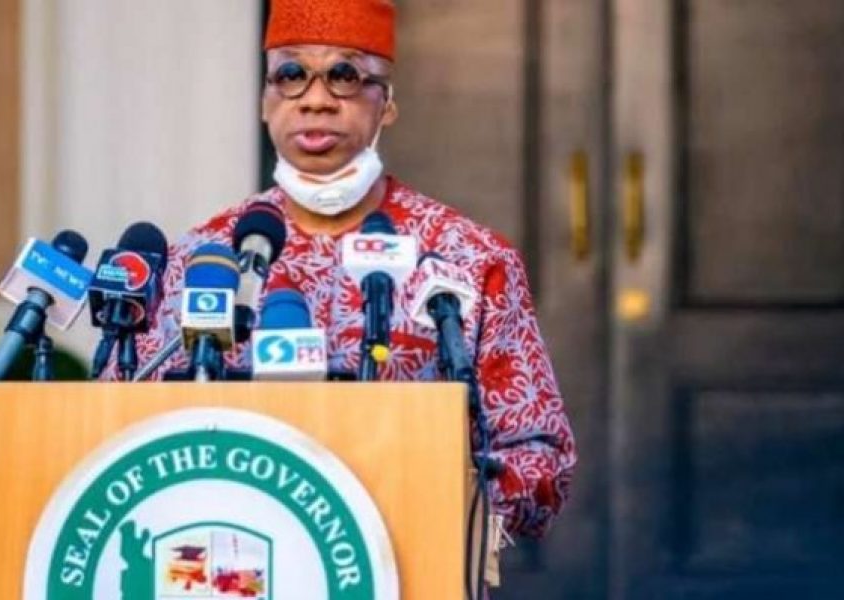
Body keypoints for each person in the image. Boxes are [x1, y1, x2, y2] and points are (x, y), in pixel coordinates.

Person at [106, 0, 576, 541]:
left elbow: (541, 457)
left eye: (344, 76)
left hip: (403, 559)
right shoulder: (202, 260)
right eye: (290, 75)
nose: (316, 100)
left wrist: (432, 498)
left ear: (387, 103)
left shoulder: (467, 260)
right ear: (264, 101)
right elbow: (118, 426)